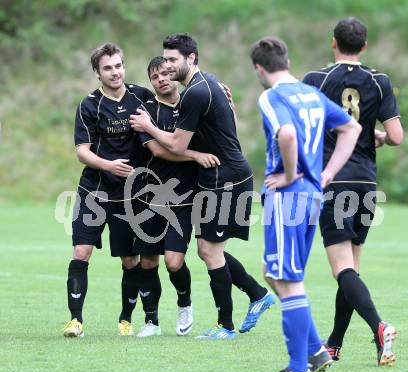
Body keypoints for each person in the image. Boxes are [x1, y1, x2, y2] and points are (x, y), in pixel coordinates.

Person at [130, 33, 274, 339]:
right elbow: (228, 130)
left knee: (209, 250)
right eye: (164, 59)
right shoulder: (205, 84)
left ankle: (226, 326)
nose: (167, 66)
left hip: (226, 179)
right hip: (221, 177)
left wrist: (148, 126)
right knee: (210, 249)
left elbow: (177, 144)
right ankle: (257, 294)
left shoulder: (196, 92)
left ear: (191, 58)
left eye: (172, 60)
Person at [250, 36, 361, 372]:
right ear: (287, 60)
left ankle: (298, 370)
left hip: (288, 197)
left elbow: (286, 134)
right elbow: (352, 127)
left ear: (259, 68)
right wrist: (326, 173)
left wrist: (290, 171)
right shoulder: (312, 94)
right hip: (312, 197)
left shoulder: (272, 96)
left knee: (287, 279)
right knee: (275, 272)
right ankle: (315, 351)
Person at [303, 17, 403, 366]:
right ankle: (333, 345)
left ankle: (379, 326)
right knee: (351, 271)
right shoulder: (380, 80)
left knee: (342, 270)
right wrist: (377, 136)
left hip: (334, 181)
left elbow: (304, 131)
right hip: (365, 182)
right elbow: (398, 136)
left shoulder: (317, 79)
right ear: (364, 45)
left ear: (334, 43)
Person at [63, 42, 154, 338]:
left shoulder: (141, 97)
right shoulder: (89, 105)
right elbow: (82, 151)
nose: (115, 72)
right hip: (94, 191)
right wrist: (108, 165)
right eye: (107, 68)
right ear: (97, 73)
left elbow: (170, 113)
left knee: (131, 260)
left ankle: (126, 319)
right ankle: (75, 320)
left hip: (130, 196)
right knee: (81, 251)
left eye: (118, 66)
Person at [130, 56, 220, 337]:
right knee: (147, 262)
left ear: (175, 74)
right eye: (155, 76)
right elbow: (158, 150)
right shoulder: (144, 112)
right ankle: (151, 321)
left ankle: (185, 303)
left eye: (166, 73)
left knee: (173, 261)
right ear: (151, 82)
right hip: (149, 196)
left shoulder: (192, 103)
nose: (162, 79)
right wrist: (195, 155)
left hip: (184, 198)